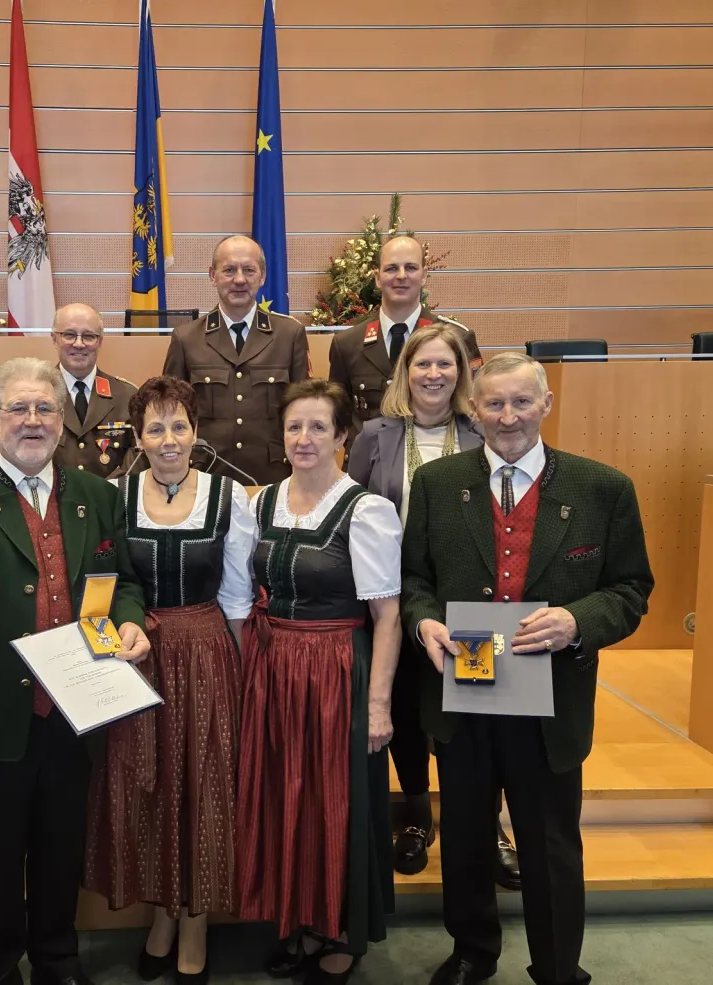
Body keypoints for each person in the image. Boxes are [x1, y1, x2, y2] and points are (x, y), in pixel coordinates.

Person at [401, 352, 654, 985]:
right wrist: (423, 621)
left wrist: (578, 622)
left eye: (521, 402)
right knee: (463, 837)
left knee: (550, 846)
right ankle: (472, 952)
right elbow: (412, 580)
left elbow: (630, 589)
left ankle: (558, 966)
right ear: (474, 409)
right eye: (493, 403)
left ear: (546, 404)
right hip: (463, 691)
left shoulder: (603, 489)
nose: (507, 416)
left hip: (552, 699)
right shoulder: (437, 485)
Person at [0, 357, 151, 985]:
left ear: (62, 419)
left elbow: (121, 580)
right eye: (18, 408)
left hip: (78, 712)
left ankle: (56, 959)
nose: (32, 420)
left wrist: (130, 621)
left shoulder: (98, 497)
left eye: (45, 408)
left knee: (59, 852)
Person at [83, 376, 256, 985]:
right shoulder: (114, 495)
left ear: (196, 431)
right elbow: (104, 585)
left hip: (206, 654)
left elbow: (237, 596)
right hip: (140, 655)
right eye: (154, 427)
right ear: (137, 436)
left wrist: (245, 672)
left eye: (178, 425)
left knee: (204, 785)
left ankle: (197, 922)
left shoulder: (230, 498)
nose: (168, 439)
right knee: (148, 786)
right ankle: (160, 912)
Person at [238, 379, 401, 985]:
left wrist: (378, 703)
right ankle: (298, 920)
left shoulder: (366, 510)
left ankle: (339, 930)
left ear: (342, 436)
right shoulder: (261, 502)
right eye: (294, 427)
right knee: (287, 795)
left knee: (336, 800)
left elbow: (387, 616)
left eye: (318, 428)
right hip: (274, 667)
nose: (304, 439)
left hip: (336, 669)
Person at [347, 325, 521, 890]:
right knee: (405, 706)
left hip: (467, 603)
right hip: (391, 600)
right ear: (405, 372)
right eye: (423, 364)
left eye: (445, 365)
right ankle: (418, 813)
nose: (434, 375)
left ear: (461, 373)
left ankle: (487, 822)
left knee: (472, 712)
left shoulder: (482, 433)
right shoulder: (375, 435)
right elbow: (345, 509)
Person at [163, 235, 310, 485]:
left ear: (262, 276)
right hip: (205, 475)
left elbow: (305, 410)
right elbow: (169, 414)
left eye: (249, 270)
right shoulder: (186, 339)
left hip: (272, 476)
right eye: (229, 270)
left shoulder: (289, 335)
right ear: (212, 275)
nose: (239, 280)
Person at [328, 235, 481, 449]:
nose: (401, 276)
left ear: (424, 275)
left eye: (410, 267)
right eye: (391, 268)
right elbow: (337, 413)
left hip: (437, 458)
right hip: (368, 466)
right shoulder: (347, 343)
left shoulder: (457, 337)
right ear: (377, 277)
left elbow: (475, 407)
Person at [51, 302, 138, 477]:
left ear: (100, 342)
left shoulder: (126, 396)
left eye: (89, 336)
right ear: (54, 339)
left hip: (112, 498)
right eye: (69, 335)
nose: (79, 344)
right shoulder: (38, 395)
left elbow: (137, 456)